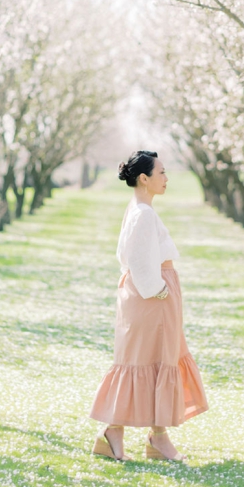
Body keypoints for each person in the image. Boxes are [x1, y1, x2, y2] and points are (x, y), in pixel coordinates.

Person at [89, 150, 208, 461]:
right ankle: (154, 437)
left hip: (151, 298)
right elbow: (140, 263)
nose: (167, 179)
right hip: (153, 300)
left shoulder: (139, 210)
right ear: (144, 178)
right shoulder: (144, 213)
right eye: (161, 173)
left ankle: (122, 433)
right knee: (154, 361)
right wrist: (160, 291)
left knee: (150, 361)